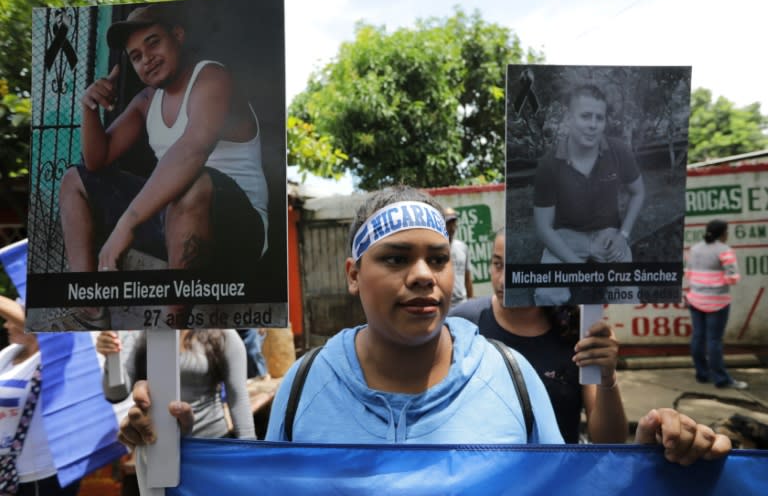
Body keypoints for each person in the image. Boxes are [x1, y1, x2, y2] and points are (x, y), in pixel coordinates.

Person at [119, 186, 731, 467]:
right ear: (354, 273)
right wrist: (170, 459)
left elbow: (570, 486)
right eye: (396, 259)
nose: (423, 276)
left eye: (437, 259)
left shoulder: (511, 378)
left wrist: (655, 463)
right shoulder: (304, 386)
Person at [57, 3, 268, 329]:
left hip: (238, 227)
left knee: (191, 182)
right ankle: (90, 307)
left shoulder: (212, 77)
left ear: (178, 36)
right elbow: (96, 161)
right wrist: (89, 107)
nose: (147, 59)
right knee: (75, 179)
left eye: (153, 43)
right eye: (136, 56)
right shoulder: (146, 102)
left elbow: (191, 150)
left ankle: (174, 326)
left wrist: (125, 225)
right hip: (173, 217)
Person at [450, 230, 627, 443]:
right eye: (498, 265)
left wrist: (607, 377)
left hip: (559, 474)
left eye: (519, 268)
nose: (504, 280)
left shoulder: (576, 330)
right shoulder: (463, 323)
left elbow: (610, 442)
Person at [532, 83, 644, 305]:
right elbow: (544, 228)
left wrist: (623, 236)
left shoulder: (618, 151)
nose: (593, 125)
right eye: (585, 116)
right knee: (547, 294)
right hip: (566, 236)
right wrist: (577, 266)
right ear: (569, 119)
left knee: (627, 294)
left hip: (608, 237)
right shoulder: (549, 164)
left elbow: (639, 192)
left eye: (599, 118)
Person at [96, 328, 255, 439]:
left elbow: (238, 397)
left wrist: (249, 457)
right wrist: (111, 357)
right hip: (159, 448)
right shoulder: (141, 331)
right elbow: (116, 394)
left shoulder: (220, 331)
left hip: (210, 443)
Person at [0, 296, 81, 495]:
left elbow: (47, 329)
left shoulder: (57, 352)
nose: (6, 324)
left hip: (41, 477)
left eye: (12, 316)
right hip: (5, 476)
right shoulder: (7, 355)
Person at [685, 219, 746, 390]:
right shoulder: (724, 250)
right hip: (717, 302)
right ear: (723, 233)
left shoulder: (694, 249)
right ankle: (721, 379)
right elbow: (733, 278)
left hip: (695, 299)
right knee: (714, 340)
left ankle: (702, 374)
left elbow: (689, 273)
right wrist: (717, 281)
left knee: (698, 337)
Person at [444, 207, 474, 307]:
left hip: (462, 303)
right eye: (448, 223)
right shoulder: (436, 249)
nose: (452, 227)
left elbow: (467, 279)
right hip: (445, 305)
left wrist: (471, 303)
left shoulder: (462, 247)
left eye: (454, 223)